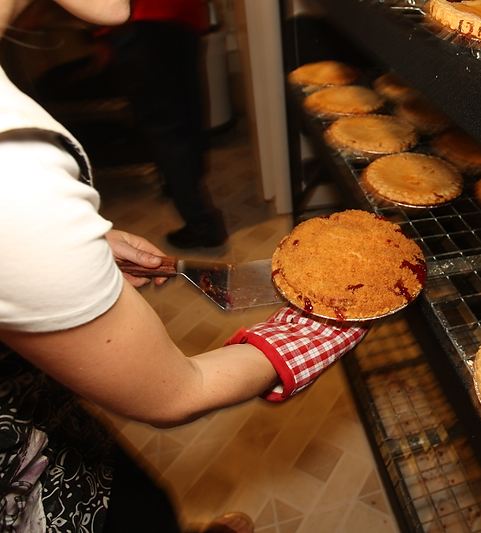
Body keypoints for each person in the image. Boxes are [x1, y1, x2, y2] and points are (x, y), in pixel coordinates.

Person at [0, 0, 369, 531]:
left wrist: (71, 245)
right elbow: (175, 393)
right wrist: (322, 325)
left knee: (138, 497)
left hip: (36, 425)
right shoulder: (15, 162)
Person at [100, 0, 228, 248]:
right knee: (188, 110)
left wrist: (100, 32)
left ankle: (201, 224)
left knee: (164, 126)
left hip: (138, 19)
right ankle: (185, 184)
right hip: (183, 13)